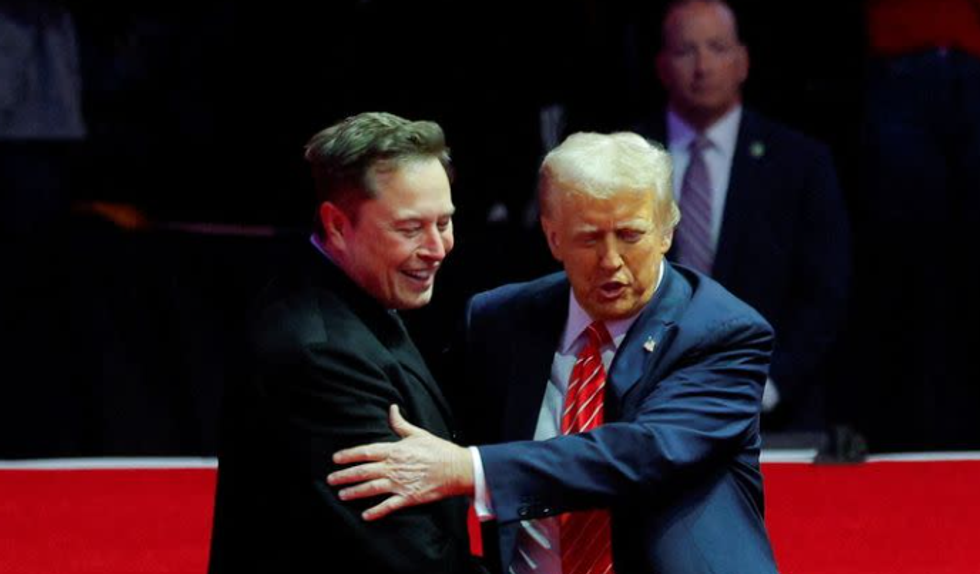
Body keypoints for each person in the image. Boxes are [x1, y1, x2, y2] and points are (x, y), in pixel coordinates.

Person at [328, 131, 780, 574]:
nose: (610, 260)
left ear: (666, 231)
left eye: (630, 235)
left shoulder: (722, 333)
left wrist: (471, 469)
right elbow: (430, 429)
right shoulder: (499, 321)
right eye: (589, 238)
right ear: (553, 237)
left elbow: (642, 453)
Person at [208, 112, 480, 574]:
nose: (438, 248)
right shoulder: (318, 354)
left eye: (444, 222)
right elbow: (409, 559)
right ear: (336, 225)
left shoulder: (352, 294)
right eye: (410, 229)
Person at [633, 0, 851, 432]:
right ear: (661, 67)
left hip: (775, 417)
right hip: (644, 409)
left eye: (717, 48)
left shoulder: (799, 162)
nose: (702, 66)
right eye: (686, 51)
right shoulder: (626, 158)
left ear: (742, 61)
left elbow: (825, 291)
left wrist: (771, 385)